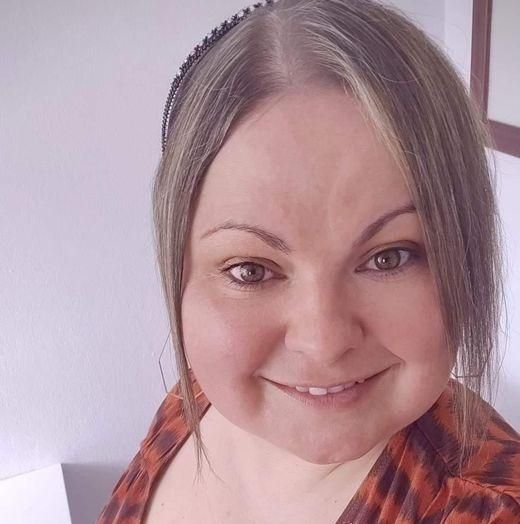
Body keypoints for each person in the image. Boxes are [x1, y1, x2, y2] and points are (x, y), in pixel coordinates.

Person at [97, 0, 520, 522]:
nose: (323, 342)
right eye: (250, 271)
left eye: (388, 257)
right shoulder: (197, 397)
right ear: (182, 269)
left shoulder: (486, 510)